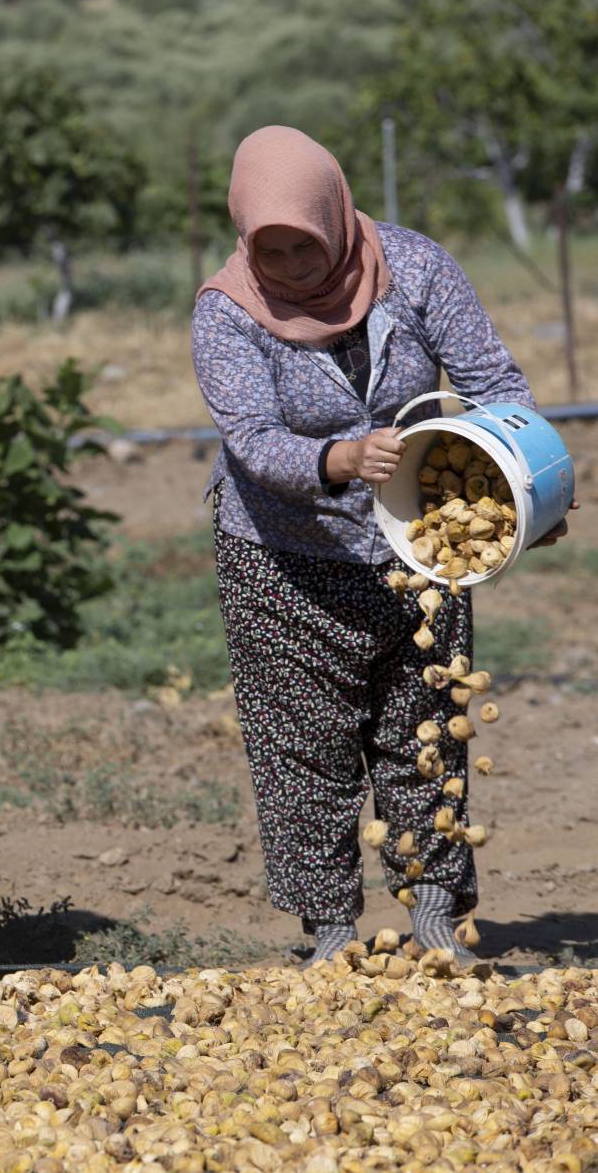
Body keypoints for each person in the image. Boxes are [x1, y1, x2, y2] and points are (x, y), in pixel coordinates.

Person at [192, 126, 571, 967]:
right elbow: (251, 439)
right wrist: (342, 458)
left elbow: (495, 382)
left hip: (422, 549)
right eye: (271, 250)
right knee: (305, 750)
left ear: (336, 215)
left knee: (426, 728)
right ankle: (331, 934)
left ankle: (435, 917)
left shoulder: (415, 266)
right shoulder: (226, 312)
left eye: (306, 244)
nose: (290, 268)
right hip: (285, 560)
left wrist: (524, 489)